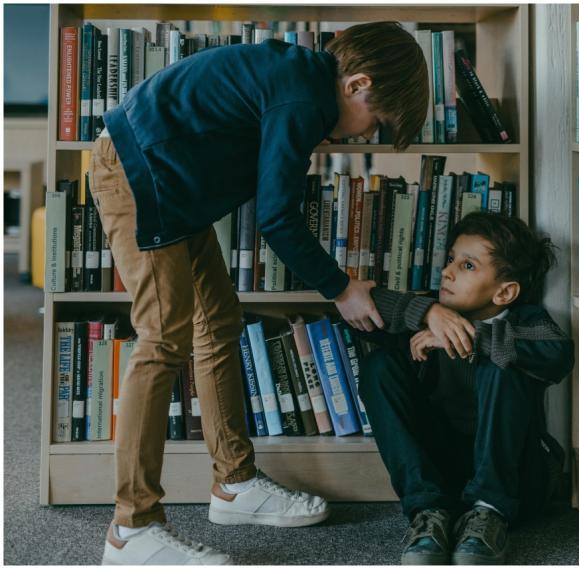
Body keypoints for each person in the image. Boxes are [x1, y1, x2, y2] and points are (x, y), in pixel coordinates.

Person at [92, 22, 429, 565]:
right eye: (376, 122)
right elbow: (276, 217)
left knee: (219, 321)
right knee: (162, 339)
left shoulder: (301, 81)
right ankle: (132, 530)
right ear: (358, 84)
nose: (365, 137)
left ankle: (234, 484)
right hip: (139, 174)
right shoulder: (302, 97)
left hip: (172, 182)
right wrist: (341, 288)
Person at [358, 211, 575, 565]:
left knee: (504, 362)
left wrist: (474, 338)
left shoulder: (526, 321)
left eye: (468, 266)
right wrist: (424, 311)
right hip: (443, 478)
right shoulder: (431, 311)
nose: (448, 271)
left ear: (505, 292)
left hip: (516, 483)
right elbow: (358, 314)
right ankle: (427, 513)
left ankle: (489, 512)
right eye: (450, 259)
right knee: (377, 366)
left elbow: (558, 352)